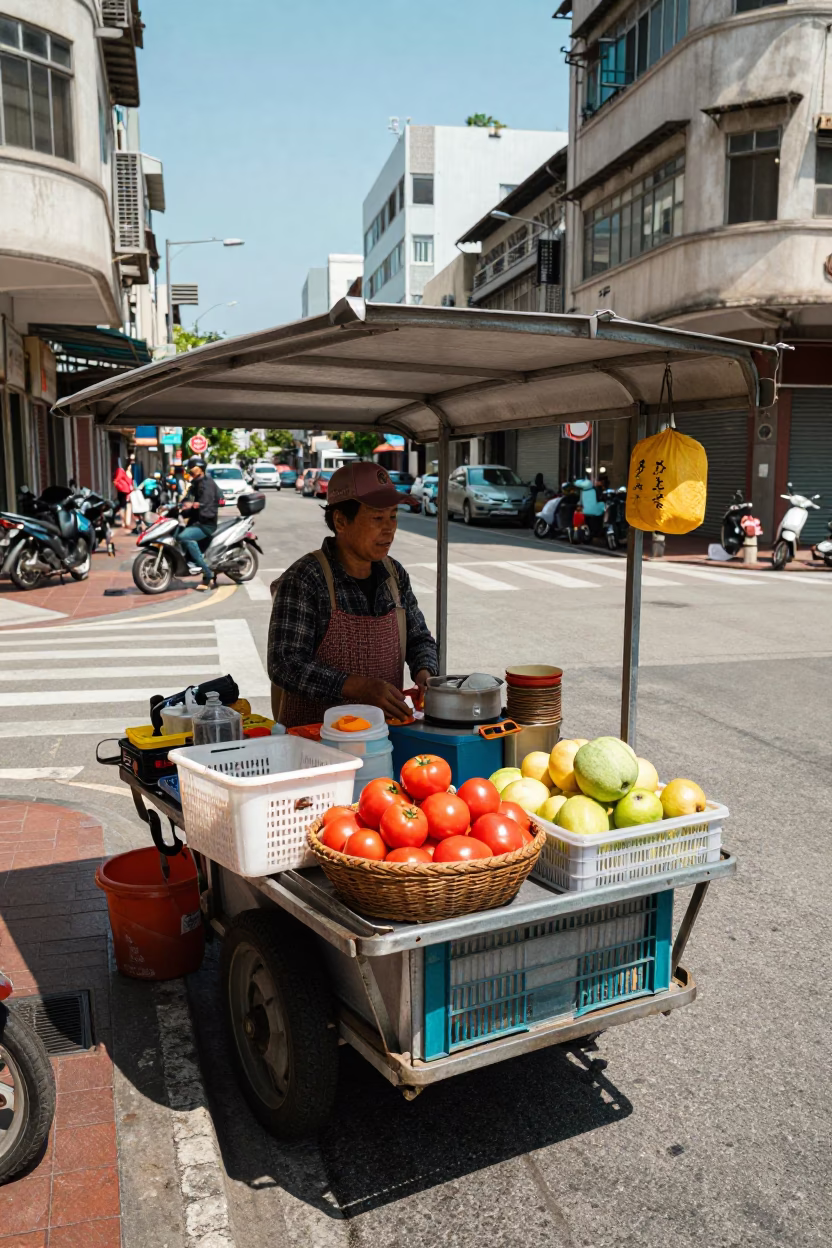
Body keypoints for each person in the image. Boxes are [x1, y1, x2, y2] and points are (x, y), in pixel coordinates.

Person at [268, 461, 438, 727]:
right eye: (377, 518)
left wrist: (426, 673)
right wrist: (357, 687)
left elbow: (419, 638)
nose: (389, 528)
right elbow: (285, 664)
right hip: (314, 741)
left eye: (393, 516)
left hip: (381, 737)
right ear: (340, 521)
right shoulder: (306, 578)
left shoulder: (394, 574)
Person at [179, 456, 223, 590]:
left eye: (192, 468)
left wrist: (195, 506)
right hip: (196, 521)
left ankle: (207, 574)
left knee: (184, 537)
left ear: (200, 469)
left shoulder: (207, 484)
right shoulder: (195, 484)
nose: (190, 471)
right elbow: (187, 500)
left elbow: (207, 504)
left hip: (206, 524)